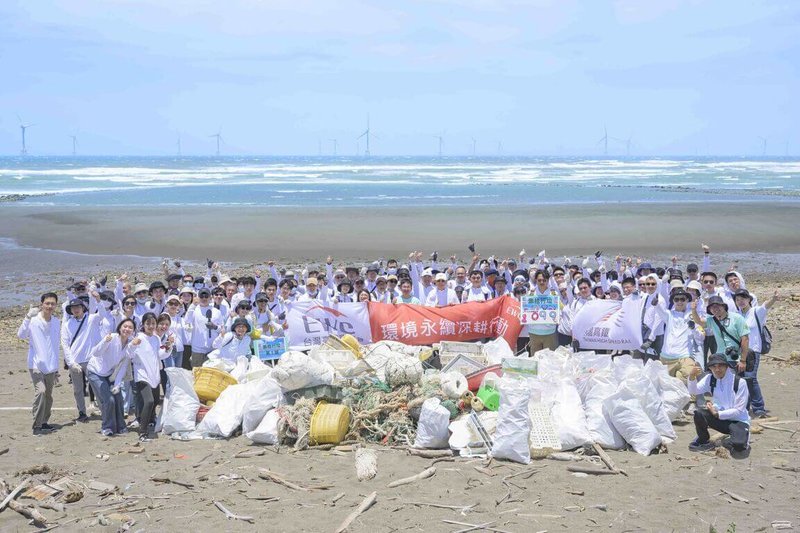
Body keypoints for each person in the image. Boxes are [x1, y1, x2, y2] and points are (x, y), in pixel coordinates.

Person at [116, 312, 171, 442]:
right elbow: (129, 354)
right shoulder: (139, 338)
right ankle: (143, 432)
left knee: (155, 400)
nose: (151, 326)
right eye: (148, 323)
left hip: (154, 374)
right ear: (143, 324)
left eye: (153, 323)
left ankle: (150, 421)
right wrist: (133, 344)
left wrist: (168, 347)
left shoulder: (156, 339)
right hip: (142, 375)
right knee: (149, 401)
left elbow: (159, 355)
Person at [687, 353, 750, 452]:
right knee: (699, 413)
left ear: (726, 366)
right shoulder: (710, 378)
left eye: (720, 366)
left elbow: (739, 410)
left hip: (737, 421)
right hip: (720, 420)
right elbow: (693, 391)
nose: (717, 369)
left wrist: (717, 414)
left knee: (739, 446)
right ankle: (704, 441)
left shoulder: (739, 382)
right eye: (714, 366)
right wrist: (691, 377)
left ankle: (734, 439)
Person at [18, 293, 61, 435]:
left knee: (48, 396)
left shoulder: (56, 322)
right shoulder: (33, 321)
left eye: (52, 303)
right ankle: (37, 425)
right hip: (36, 364)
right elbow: (21, 335)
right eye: (47, 303)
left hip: (51, 366)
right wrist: (27, 317)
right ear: (41, 304)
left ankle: (44, 422)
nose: (49, 306)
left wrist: (57, 368)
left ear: (56, 305)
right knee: (41, 391)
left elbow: (55, 345)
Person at [734, 288, 779, 418]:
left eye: (743, 298)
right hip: (740, 353)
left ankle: (759, 409)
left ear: (749, 300)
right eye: (738, 299)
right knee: (742, 379)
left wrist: (774, 299)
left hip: (754, 351)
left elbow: (766, 305)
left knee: (751, 378)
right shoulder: (737, 316)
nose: (740, 301)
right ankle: (745, 406)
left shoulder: (755, 312)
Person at [87, 319, 135, 436]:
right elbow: (95, 353)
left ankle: (121, 426)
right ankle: (107, 427)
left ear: (133, 331)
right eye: (125, 326)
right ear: (119, 328)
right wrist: (105, 342)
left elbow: (123, 367)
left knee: (118, 398)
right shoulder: (112, 338)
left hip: (110, 374)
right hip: (95, 371)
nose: (127, 329)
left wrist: (118, 384)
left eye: (130, 327)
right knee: (109, 400)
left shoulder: (130, 344)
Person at [61, 297, 102, 422]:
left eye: (78, 307)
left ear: (83, 308)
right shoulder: (67, 324)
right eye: (73, 308)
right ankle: (82, 412)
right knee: (78, 389)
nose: (76, 310)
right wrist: (71, 363)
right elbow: (65, 344)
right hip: (75, 362)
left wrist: (96, 296)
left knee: (96, 386)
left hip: (90, 360)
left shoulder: (91, 319)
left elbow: (102, 313)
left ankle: (104, 409)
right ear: (70, 310)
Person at [693, 295, 750, 372]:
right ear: (710, 310)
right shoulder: (711, 321)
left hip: (736, 358)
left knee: (736, 382)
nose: (715, 309)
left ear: (723, 306)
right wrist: (693, 309)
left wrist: (743, 360)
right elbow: (698, 321)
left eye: (717, 306)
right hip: (720, 359)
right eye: (712, 307)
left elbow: (745, 339)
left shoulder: (737, 318)